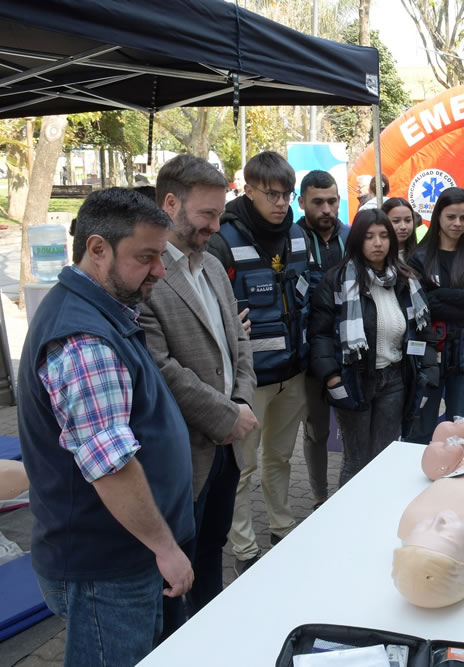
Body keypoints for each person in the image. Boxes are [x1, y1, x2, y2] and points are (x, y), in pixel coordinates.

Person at [17, 188, 195, 666]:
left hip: (121, 557)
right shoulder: (83, 336)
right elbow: (110, 465)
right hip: (109, 567)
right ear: (97, 249)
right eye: (146, 256)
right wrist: (165, 547)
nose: (159, 269)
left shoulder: (101, 313)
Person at [137, 155, 258, 634]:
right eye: (207, 215)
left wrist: (242, 403)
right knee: (180, 568)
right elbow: (159, 366)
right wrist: (224, 414)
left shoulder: (209, 264)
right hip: (184, 451)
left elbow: (239, 342)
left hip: (227, 443)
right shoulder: (147, 274)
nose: (215, 225)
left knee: (212, 549)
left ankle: (212, 632)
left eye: (219, 214)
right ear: (170, 204)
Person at [206, 151, 310, 574]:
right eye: (272, 193)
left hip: (294, 374)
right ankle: (244, 549)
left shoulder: (298, 235)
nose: (281, 202)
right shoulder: (222, 239)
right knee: (243, 469)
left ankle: (283, 528)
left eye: (287, 194)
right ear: (248, 189)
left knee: (281, 458)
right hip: (250, 383)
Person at [308, 209, 432, 485]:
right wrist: (332, 377)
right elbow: (319, 335)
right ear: (356, 241)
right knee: (356, 460)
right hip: (354, 379)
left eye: (384, 236)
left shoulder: (406, 280)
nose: (378, 243)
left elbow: (423, 331)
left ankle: (377, 517)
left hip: (395, 379)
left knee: (385, 456)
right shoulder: (337, 280)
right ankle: (349, 524)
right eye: (369, 237)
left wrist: (428, 369)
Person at [407, 188, 464, 443]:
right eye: (451, 217)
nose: (458, 223)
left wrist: (439, 294)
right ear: (438, 217)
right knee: (422, 425)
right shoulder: (419, 259)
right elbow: (423, 305)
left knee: (458, 424)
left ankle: (450, 475)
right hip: (429, 352)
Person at [295, 170, 351, 509]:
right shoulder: (292, 239)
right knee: (317, 429)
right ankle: (319, 497)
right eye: (318, 202)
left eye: (332, 201)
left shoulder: (352, 235)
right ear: (302, 202)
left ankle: (350, 493)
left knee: (352, 426)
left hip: (349, 351)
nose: (326, 209)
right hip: (308, 354)